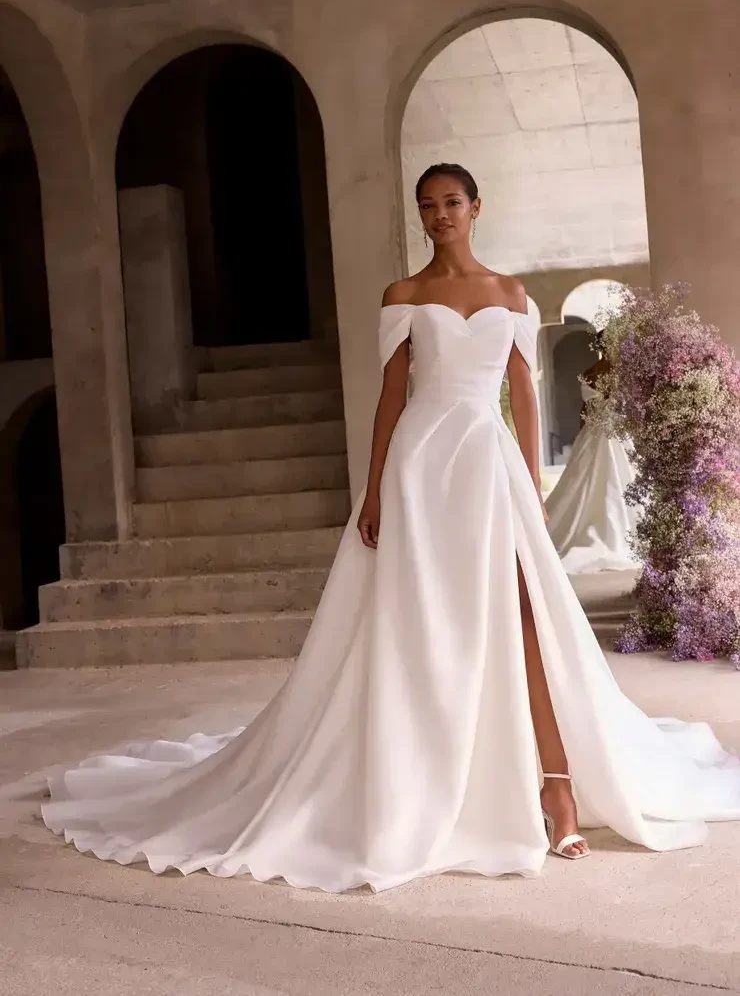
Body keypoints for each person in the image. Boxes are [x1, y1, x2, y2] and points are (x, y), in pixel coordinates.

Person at [42, 164, 740, 893]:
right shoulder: (404, 295)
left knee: (527, 613)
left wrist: (531, 488)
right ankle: (434, 776)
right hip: (420, 467)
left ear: (476, 207)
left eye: (451, 203)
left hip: (487, 464)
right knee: (422, 622)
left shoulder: (510, 294)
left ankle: (555, 784)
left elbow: (524, 394)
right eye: (428, 206)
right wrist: (373, 489)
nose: (439, 215)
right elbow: (390, 396)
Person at [546, 333, 640, 573]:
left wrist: (581, 435)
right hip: (616, 432)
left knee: (586, 481)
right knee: (620, 479)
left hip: (594, 432)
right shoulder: (625, 372)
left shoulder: (590, 372)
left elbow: (585, 408)